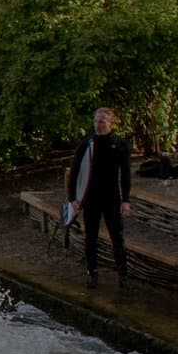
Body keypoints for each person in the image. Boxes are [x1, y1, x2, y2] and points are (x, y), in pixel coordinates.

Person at [65, 106, 131, 288]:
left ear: (111, 123)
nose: (98, 124)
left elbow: (125, 174)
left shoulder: (120, 144)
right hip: (91, 198)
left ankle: (123, 274)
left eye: (102, 121)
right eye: (96, 121)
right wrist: (73, 198)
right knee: (91, 237)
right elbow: (75, 173)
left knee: (117, 237)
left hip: (112, 198)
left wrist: (126, 200)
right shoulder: (86, 145)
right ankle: (92, 273)